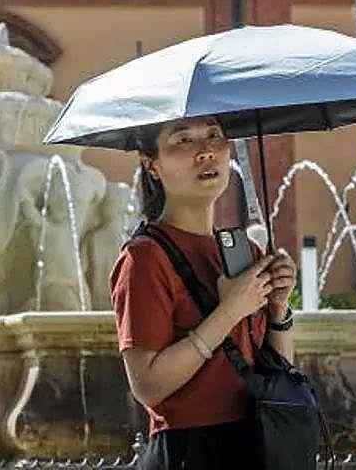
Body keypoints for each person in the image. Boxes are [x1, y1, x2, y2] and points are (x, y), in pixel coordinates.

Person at [111, 117, 298, 469]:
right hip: (191, 450)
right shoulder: (144, 258)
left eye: (214, 137)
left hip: (257, 440)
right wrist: (230, 310)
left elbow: (280, 370)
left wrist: (278, 309)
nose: (206, 152)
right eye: (183, 141)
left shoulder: (244, 253)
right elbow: (148, 386)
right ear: (152, 166)